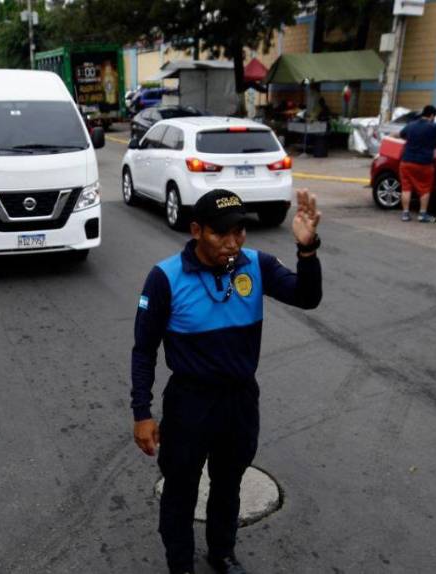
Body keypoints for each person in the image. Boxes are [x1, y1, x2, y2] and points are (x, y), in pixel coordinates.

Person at [132, 189, 323, 574]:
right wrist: (142, 413)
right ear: (197, 230)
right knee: (181, 488)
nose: (233, 243)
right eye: (221, 233)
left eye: (239, 232)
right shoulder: (165, 278)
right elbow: (143, 350)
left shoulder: (256, 265)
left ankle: (221, 552)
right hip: (190, 403)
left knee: (228, 481)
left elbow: (307, 297)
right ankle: (181, 563)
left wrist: (307, 250)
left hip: (239, 400)